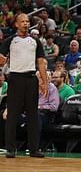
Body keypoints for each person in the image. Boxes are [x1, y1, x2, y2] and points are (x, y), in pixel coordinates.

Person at [0, 13, 48, 158]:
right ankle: (10, 149)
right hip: (15, 78)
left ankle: (34, 149)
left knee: (33, 115)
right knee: (12, 114)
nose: (26, 24)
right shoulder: (10, 41)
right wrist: (3, 59)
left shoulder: (35, 41)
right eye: (23, 21)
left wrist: (44, 81)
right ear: (16, 24)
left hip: (31, 78)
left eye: (27, 21)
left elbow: (40, 62)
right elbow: (1, 60)